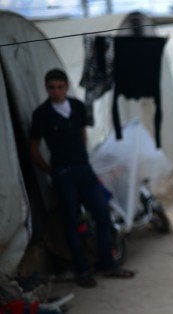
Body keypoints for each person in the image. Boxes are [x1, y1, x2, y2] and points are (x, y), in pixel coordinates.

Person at [29, 68, 135, 288]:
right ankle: (83, 270)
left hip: (83, 169)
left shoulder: (77, 107)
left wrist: (83, 156)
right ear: (46, 88)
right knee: (72, 221)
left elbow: (82, 132)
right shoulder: (41, 114)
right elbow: (34, 147)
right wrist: (50, 170)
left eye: (60, 87)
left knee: (102, 214)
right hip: (63, 173)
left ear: (67, 87)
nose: (56, 92)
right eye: (51, 88)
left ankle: (107, 263)